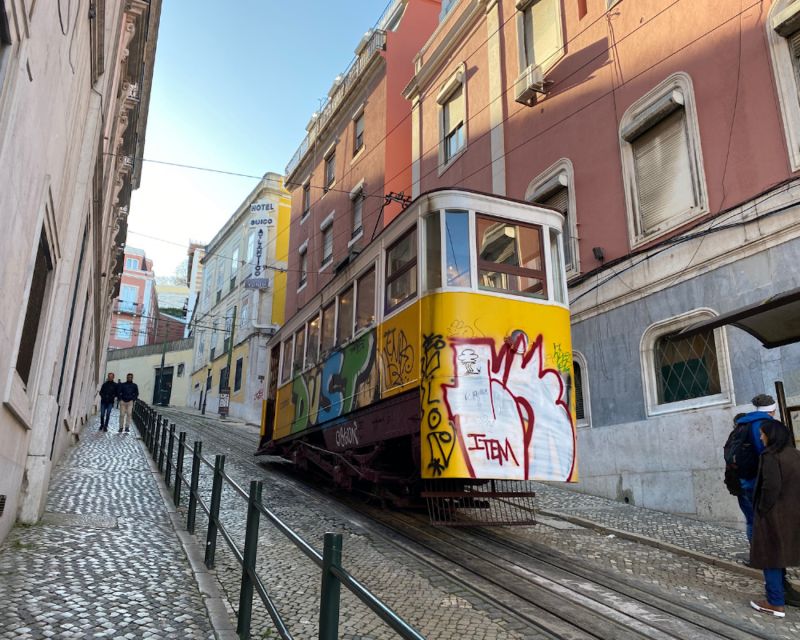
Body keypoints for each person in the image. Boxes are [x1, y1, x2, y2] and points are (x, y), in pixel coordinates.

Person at [749, 419, 800, 617]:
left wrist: (762, 509)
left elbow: (770, 487)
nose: (761, 437)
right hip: (793, 514)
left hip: (774, 515)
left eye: (763, 434)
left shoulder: (770, 456)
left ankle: (775, 602)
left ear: (771, 436)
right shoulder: (796, 455)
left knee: (770, 557)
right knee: (783, 554)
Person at [734, 394, 778, 542]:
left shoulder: (744, 423)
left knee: (752, 520)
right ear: (772, 410)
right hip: (759, 481)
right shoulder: (763, 424)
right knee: (764, 520)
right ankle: (764, 559)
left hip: (743, 479)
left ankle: (757, 556)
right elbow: (765, 454)